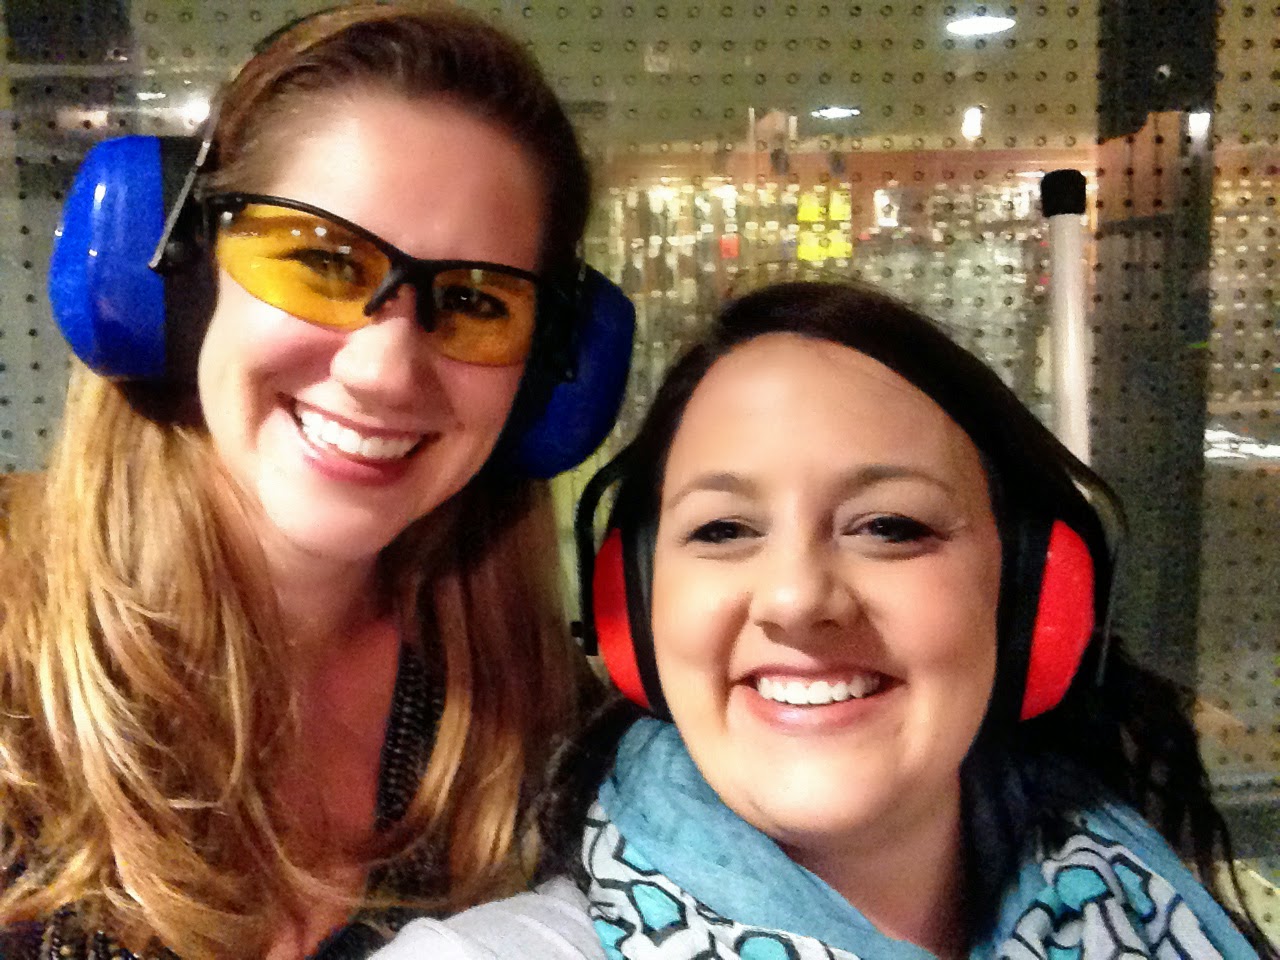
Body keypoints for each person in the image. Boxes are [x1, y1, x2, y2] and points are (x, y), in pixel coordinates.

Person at [0, 4, 627, 959]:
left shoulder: (549, 733)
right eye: (322, 262)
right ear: (180, 275)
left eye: (473, 301)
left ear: (550, 373)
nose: (385, 371)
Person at [519, 281, 1272, 959]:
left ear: (1035, 597)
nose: (796, 600)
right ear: (635, 607)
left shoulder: (1154, 901)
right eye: (723, 529)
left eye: (889, 526)